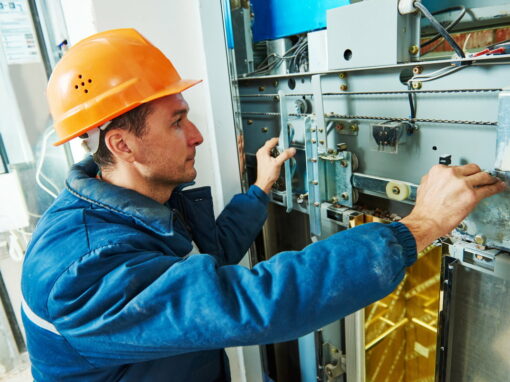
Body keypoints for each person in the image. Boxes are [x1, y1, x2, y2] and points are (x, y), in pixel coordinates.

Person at [21, 28, 505, 382]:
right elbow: (252, 302)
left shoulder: (137, 206)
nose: (198, 136)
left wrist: (260, 189)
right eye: (176, 122)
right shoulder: (81, 271)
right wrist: (420, 225)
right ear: (123, 146)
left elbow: (207, 263)